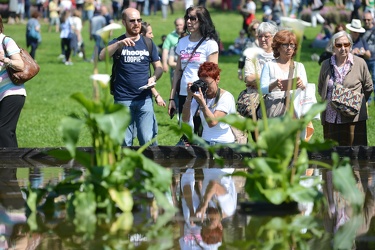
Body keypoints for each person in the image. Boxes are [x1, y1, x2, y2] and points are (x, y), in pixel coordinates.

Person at [98, 8, 163, 146]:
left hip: (144, 99)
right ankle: (127, 168)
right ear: (123, 22)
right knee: (124, 142)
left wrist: (154, 78)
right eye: (132, 21)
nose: (136, 23)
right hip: (123, 100)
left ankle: (146, 168)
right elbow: (102, 56)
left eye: (139, 20)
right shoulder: (118, 43)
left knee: (147, 141)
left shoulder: (148, 43)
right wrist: (118, 44)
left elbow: (159, 67)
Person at [318, 31, 373, 146]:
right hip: (331, 117)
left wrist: (356, 102)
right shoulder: (326, 65)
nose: (343, 48)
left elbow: (368, 87)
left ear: (350, 45)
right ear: (333, 47)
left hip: (354, 117)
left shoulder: (360, 63)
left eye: (346, 45)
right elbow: (321, 87)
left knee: (355, 152)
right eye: (338, 45)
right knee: (332, 152)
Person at [168, 6, 219, 121]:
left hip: (201, 94)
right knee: (185, 131)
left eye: (192, 18)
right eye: (187, 18)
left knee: (199, 134)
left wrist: (205, 101)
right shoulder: (182, 42)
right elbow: (177, 73)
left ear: (202, 21)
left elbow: (212, 75)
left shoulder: (210, 44)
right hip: (183, 93)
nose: (188, 21)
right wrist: (172, 99)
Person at [182, 62, 236, 145]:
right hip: (204, 142)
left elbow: (212, 122)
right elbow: (185, 119)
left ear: (217, 79)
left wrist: (202, 103)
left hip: (224, 144)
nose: (205, 88)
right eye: (202, 84)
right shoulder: (200, 96)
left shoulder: (226, 97)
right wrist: (189, 97)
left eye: (207, 84)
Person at [259, 30, 307, 118]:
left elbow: (306, 90)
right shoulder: (269, 65)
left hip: (295, 110)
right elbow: (262, 89)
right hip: (275, 110)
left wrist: (302, 85)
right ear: (277, 47)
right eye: (285, 45)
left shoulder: (299, 66)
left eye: (292, 45)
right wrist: (274, 84)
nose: (289, 48)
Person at [0, 16, 25, 147]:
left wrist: (5, 59)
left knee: (3, 131)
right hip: (1, 95)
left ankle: (8, 164)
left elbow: (20, 65)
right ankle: (14, 164)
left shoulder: (6, 41)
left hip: (12, 92)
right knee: (8, 133)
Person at [244, 22, 278, 89]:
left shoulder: (280, 55)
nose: (262, 39)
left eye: (266, 36)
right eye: (260, 36)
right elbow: (248, 78)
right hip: (256, 96)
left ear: (274, 37)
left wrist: (257, 78)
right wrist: (273, 79)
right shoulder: (252, 55)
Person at [363, 11, 375, 102]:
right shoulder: (360, 31)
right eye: (365, 19)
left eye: (368, 19)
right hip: (364, 60)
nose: (366, 21)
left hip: (374, 59)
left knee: (374, 79)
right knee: (365, 81)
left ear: (372, 20)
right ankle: (368, 99)